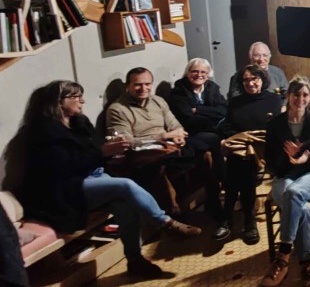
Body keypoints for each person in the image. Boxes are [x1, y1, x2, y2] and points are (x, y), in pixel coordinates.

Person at [15, 80, 199, 280]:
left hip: (92, 176)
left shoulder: (79, 123)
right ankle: (165, 223)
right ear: (58, 101)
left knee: (125, 206)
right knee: (125, 185)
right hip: (65, 187)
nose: (82, 101)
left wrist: (110, 150)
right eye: (76, 97)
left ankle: (135, 261)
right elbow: (63, 166)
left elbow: (95, 150)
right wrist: (102, 152)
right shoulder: (43, 131)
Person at [261, 77, 310, 287]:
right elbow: (270, 163)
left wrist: (305, 159)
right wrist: (288, 159)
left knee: (294, 193)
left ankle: (283, 256)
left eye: (305, 95)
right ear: (288, 95)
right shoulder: (275, 124)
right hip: (284, 176)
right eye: (296, 94)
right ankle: (305, 260)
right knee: (301, 206)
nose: (300, 99)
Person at [107, 67, 195, 215]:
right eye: (137, 85)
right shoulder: (117, 109)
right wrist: (163, 136)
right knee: (163, 164)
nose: (143, 88)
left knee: (204, 145)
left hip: (168, 146)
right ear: (127, 86)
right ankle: (172, 213)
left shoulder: (158, 101)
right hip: (141, 153)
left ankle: (213, 203)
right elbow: (126, 142)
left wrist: (178, 135)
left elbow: (174, 125)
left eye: (147, 84)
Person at [215, 64, 283, 243]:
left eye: (255, 79)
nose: (250, 83)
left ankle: (228, 218)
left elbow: (275, 128)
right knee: (240, 164)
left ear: (262, 80)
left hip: (265, 147)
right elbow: (227, 126)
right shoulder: (236, 102)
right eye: (246, 80)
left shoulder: (274, 99)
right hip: (242, 147)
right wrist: (237, 138)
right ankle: (248, 221)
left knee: (239, 166)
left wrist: (251, 138)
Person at [166, 58, 229, 226]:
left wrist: (198, 110)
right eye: (194, 71)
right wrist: (211, 118)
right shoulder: (178, 92)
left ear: (208, 75)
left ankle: (221, 190)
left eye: (203, 72)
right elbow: (187, 118)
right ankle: (224, 182)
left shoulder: (212, 88)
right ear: (187, 73)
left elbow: (224, 110)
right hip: (190, 135)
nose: (199, 75)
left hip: (210, 133)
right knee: (214, 141)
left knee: (224, 140)